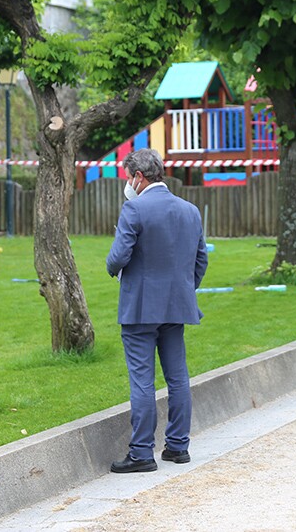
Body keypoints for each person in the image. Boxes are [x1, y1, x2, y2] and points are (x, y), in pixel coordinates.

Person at [105, 148, 208, 474]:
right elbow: (201, 260)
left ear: (138, 176)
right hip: (177, 307)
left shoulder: (134, 208)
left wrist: (112, 268)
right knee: (178, 377)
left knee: (142, 380)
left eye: (128, 177)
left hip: (140, 308)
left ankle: (141, 453)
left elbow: (118, 257)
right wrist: (184, 289)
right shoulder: (190, 210)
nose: (128, 184)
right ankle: (178, 446)